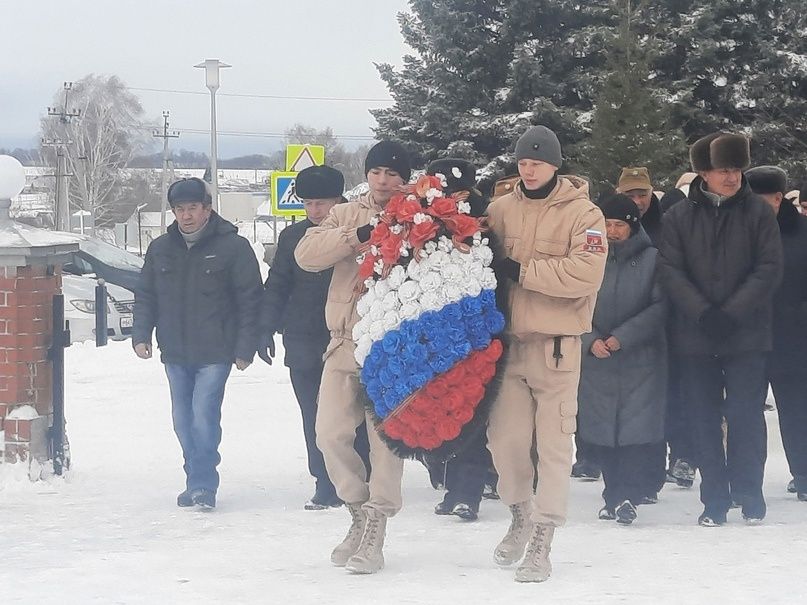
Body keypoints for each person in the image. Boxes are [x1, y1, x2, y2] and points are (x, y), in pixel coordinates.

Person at [485, 125, 607, 582]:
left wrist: (520, 270)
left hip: (557, 350)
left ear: (556, 165)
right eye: (523, 161)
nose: (529, 168)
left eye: (537, 161)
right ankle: (520, 513)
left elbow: (585, 275)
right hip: (508, 348)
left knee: (555, 447)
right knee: (506, 443)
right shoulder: (500, 209)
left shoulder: (584, 214)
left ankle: (543, 537)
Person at [294, 141, 410, 574]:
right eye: (377, 171)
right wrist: (358, 236)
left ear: (404, 178)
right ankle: (357, 512)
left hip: (394, 346)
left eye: (392, 174)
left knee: (385, 445)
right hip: (344, 342)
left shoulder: (423, 215)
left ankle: (376, 527)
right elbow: (307, 256)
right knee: (329, 433)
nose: (383, 180)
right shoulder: (346, 213)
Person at [658, 133, 783, 527]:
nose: (731, 177)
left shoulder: (759, 213)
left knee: (746, 415)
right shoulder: (677, 216)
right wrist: (701, 312)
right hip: (696, 334)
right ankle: (714, 497)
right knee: (703, 417)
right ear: (704, 174)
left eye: (736, 169)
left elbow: (768, 268)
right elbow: (670, 270)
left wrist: (731, 312)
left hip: (746, 333)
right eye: (722, 170)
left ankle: (749, 490)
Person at [133, 177, 262, 510]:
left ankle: (204, 484)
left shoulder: (233, 247)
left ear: (208, 209)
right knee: (181, 419)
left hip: (216, 350)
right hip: (175, 350)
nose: (186, 215)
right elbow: (146, 295)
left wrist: (245, 347)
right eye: (180, 209)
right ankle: (195, 476)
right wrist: (141, 334)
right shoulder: (160, 248)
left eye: (192, 208)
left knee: (203, 415)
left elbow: (250, 300)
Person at [259, 165, 370, 511]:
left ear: (339, 201)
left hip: (350, 337)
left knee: (357, 415)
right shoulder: (293, 238)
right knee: (314, 415)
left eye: (321, 203)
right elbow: (277, 285)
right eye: (308, 204)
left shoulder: (360, 232)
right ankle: (324, 480)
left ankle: (360, 478)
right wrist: (265, 327)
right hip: (304, 339)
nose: (315, 211)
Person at [578, 194, 667, 525]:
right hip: (597, 358)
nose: (612, 231)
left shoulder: (652, 259)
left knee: (634, 431)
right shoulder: (585, 259)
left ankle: (629, 494)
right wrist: (590, 340)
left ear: (633, 226)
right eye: (607, 224)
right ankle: (611, 495)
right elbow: (573, 303)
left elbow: (660, 306)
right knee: (603, 431)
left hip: (639, 358)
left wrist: (623, 337)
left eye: (619, 225)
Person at [421, 157, 493, 522]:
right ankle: (449, 484)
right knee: (437, 410)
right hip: (431, 328)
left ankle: (469, 490)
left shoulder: (484, 218)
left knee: (470, 413)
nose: (450, 196)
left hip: (472, 331)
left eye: (458, 191)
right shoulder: (419, 215)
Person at [746, 166, 807, 502]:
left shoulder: (802, 233)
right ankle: (747, 477)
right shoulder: (739, 231)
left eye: (761, 199)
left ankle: (803, 472)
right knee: (747, 410)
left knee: (797, 409)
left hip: (794, 338)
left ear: (778, 197)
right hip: (748, 337)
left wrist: (797, 314)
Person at [615, 167, 663, 244]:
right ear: (618, 195)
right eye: (630, 196)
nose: (636, 202)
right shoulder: (605, 226)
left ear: (651, 195)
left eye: (642, 195)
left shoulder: (668, 227)